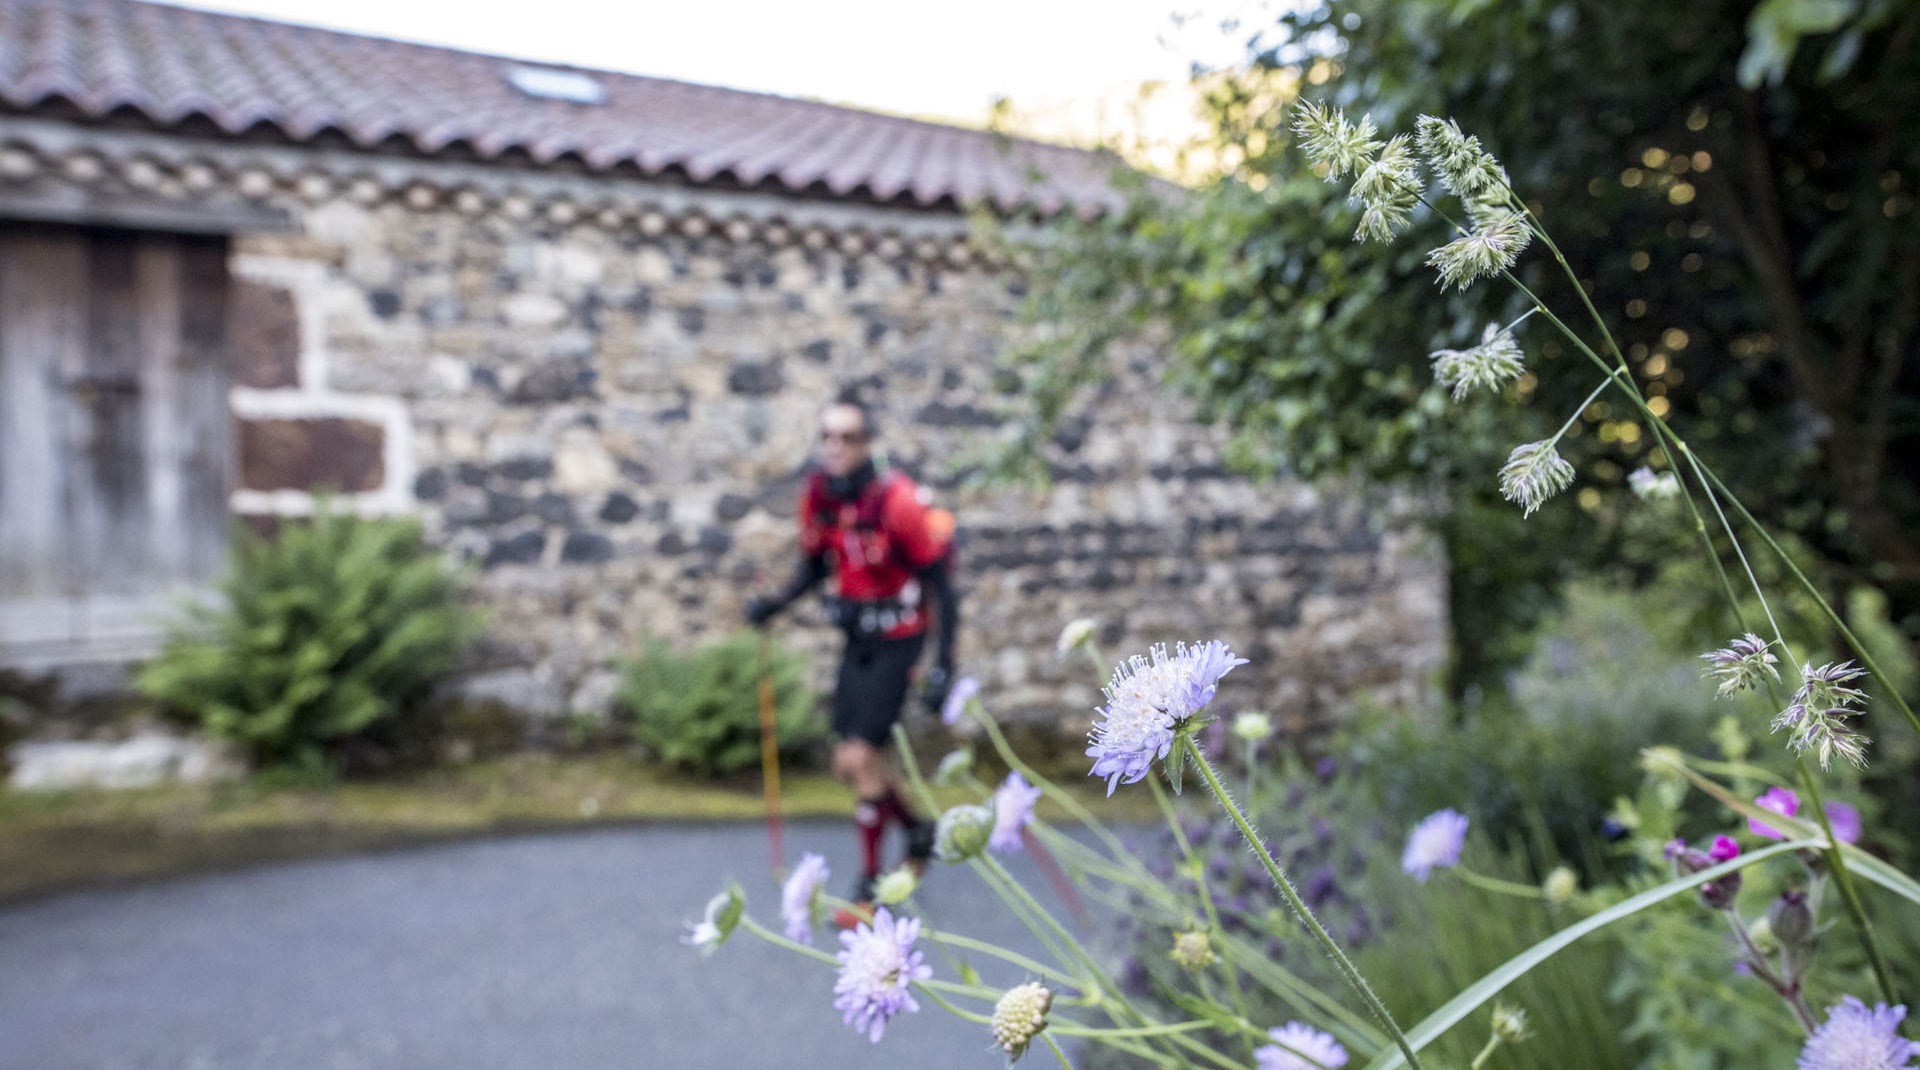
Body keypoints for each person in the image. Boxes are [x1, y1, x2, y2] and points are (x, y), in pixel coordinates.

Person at [746, 392, 959, 909]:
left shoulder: (897, 500)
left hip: (900, 637)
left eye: (848, 436)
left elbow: (943, 585)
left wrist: (945, 665)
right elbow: (816, 566)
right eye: (828, 436)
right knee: (849, 763)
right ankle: (916, 830)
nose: (835, 446)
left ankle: (869, 882)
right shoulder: (820, 495)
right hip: (857, 637)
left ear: (867, 443)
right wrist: (775, 603)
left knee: (860, 755)